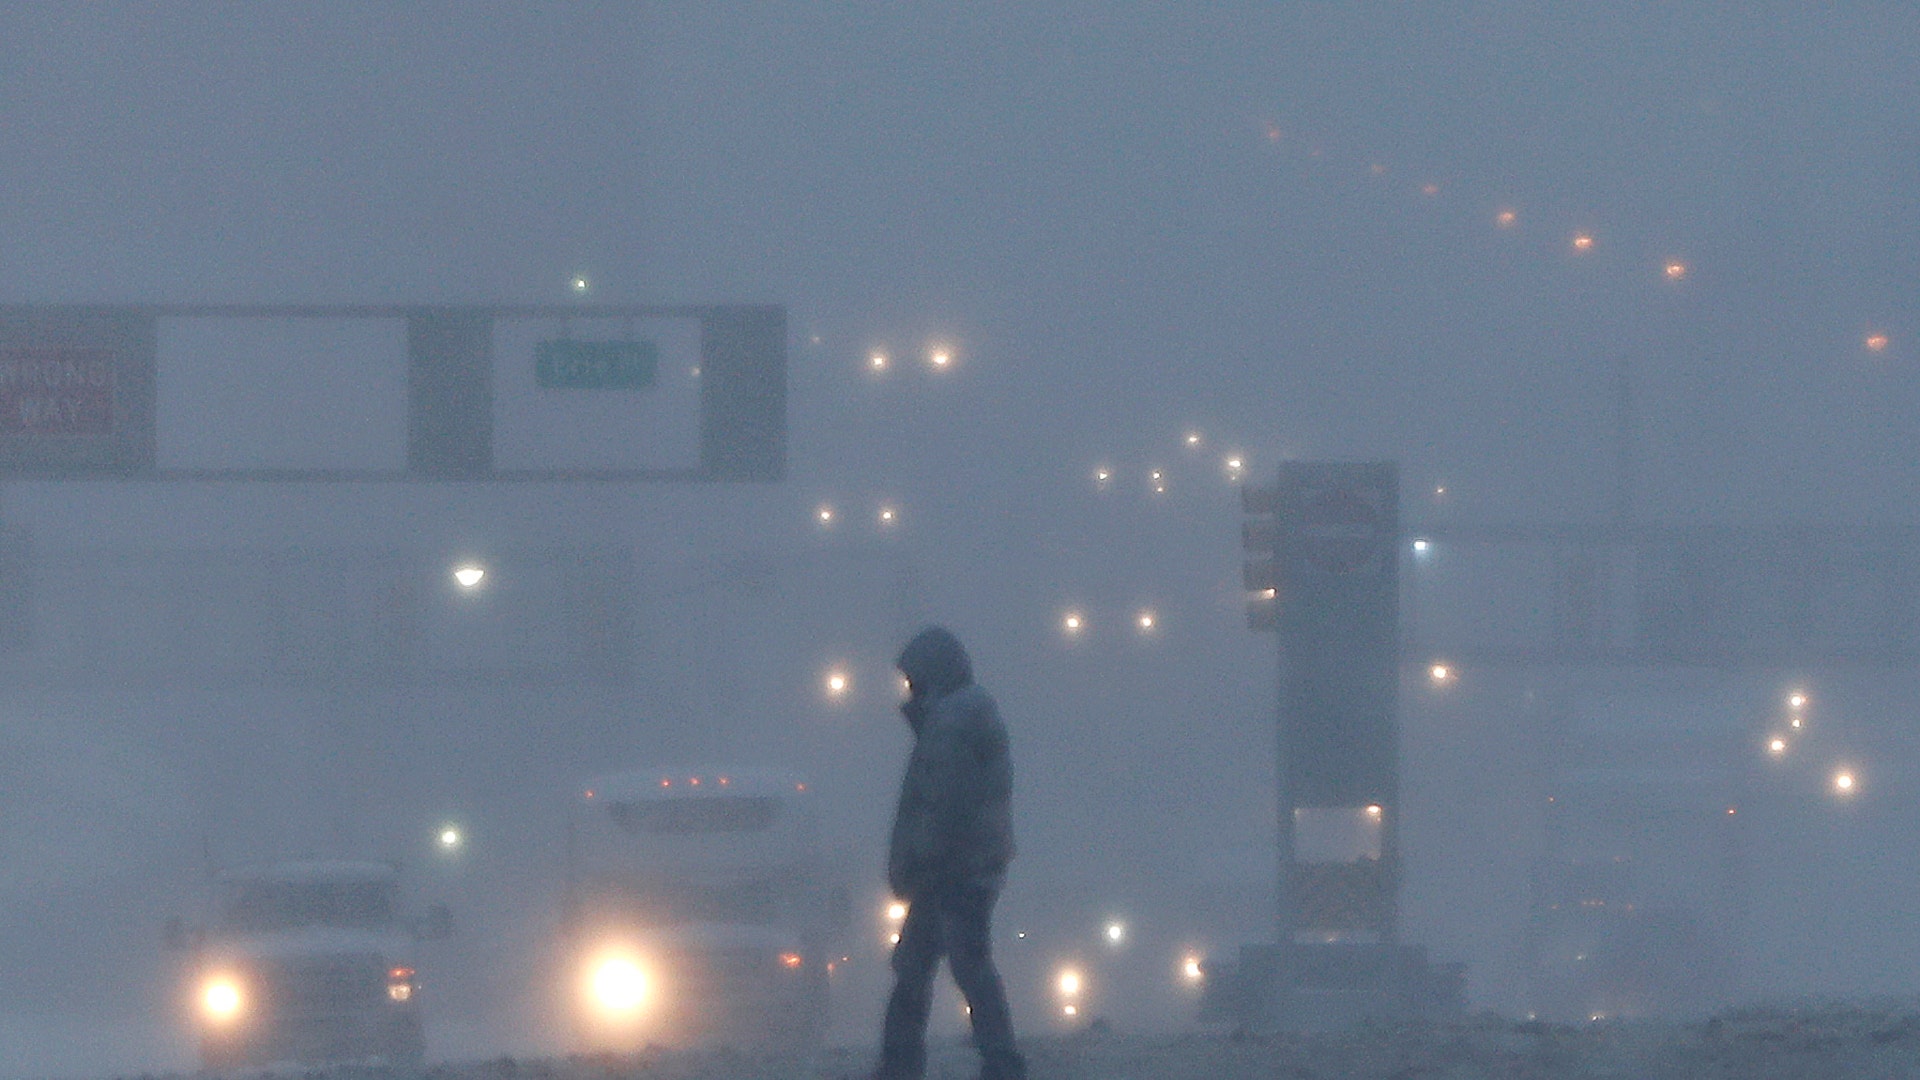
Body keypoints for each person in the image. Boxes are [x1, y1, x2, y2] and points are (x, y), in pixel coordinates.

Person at [871, 626, 1027, 1080]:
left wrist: (919, 859)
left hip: (950, 869)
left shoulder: (950, 725)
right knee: (952, 966)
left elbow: (939, 804)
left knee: (933, 968)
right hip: (967, 865)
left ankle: (908, 1065)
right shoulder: (966, 717)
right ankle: (998, 1061)